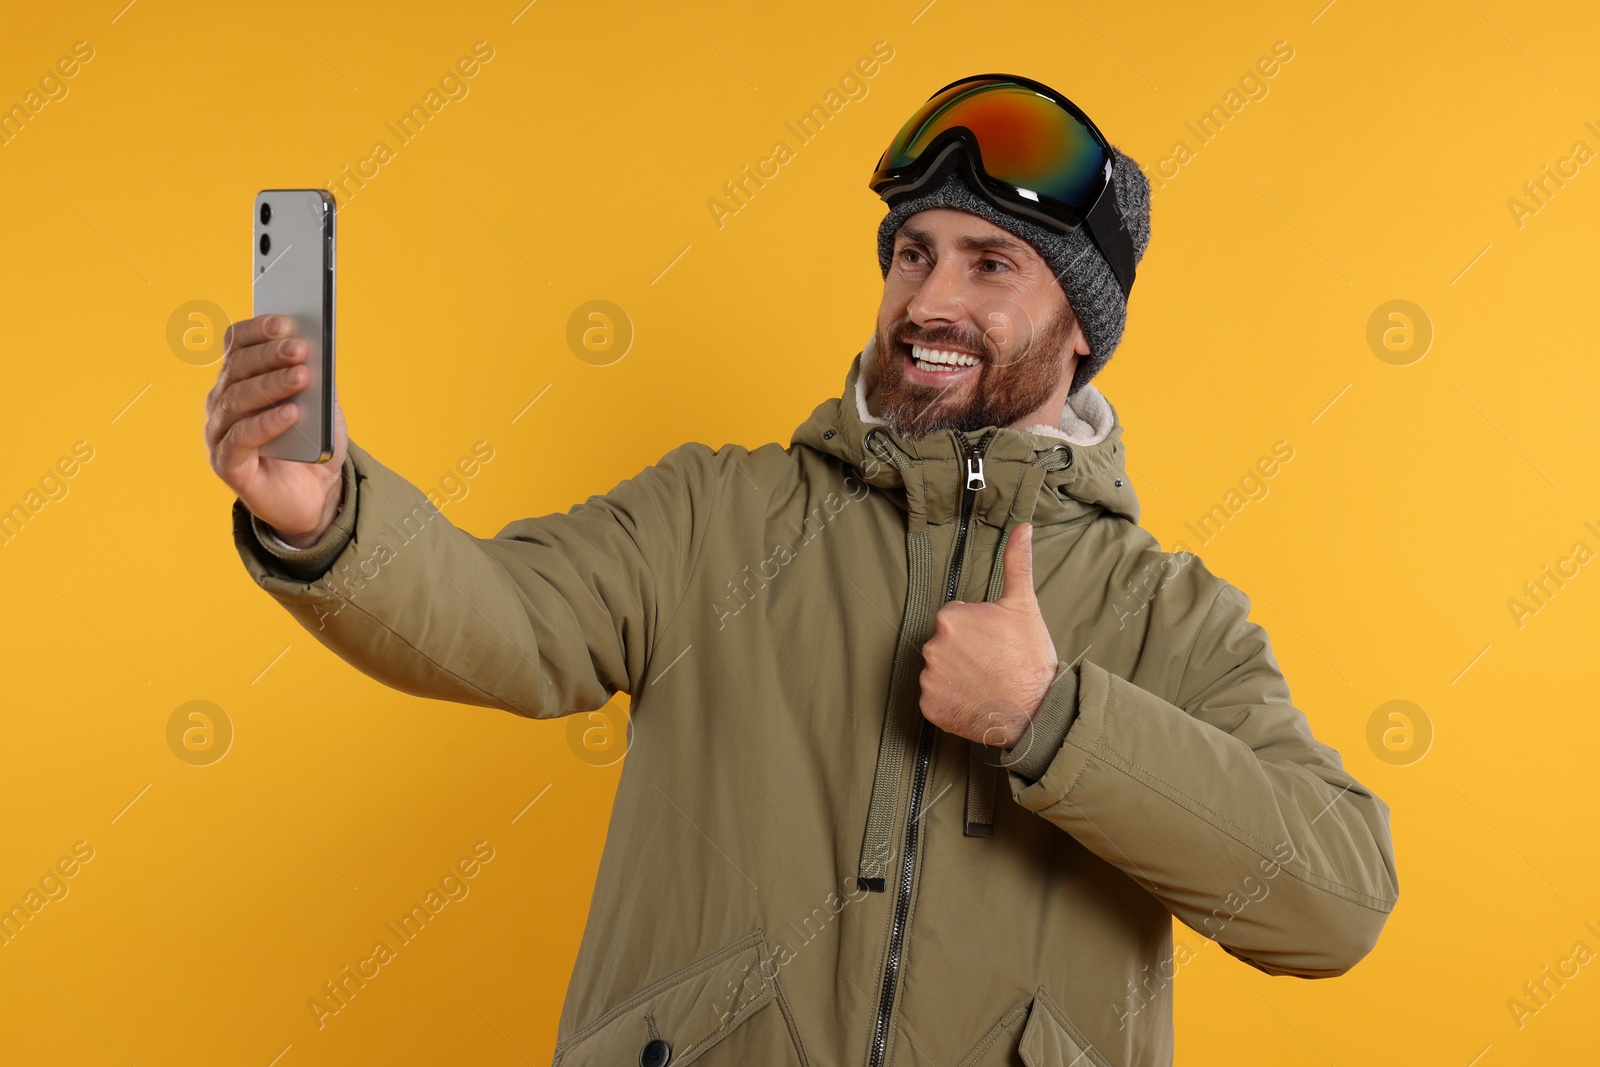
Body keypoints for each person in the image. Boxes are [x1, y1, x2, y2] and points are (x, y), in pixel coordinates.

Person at [206, 74, 1398, 1067]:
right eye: (912, 254)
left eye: (991, 264)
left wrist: (1052, 718)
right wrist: (330, 519)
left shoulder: (1168, 614)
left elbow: (1334, 900)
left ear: (1080, 327)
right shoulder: (711, 512)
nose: (928, 299)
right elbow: (503, 619)